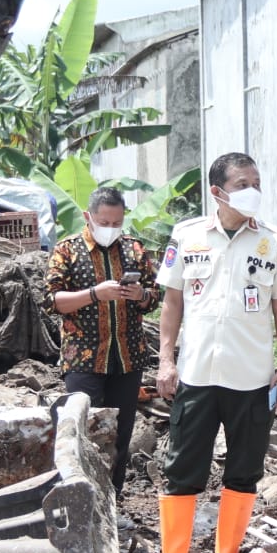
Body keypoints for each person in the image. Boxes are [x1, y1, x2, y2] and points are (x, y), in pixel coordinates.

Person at [142, 152, 277, 553]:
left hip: (251, 377)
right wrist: (166, 360)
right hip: (196, 372)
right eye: (243, 182)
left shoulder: (274, 242)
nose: (253, 189)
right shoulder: (188, 236)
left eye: (257, 180)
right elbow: (171, 303)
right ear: (217, 192)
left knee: (244, 469)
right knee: (182, 468)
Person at [44, 186, 159, 498]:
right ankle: (83, 497)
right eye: (104, 222)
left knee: (121, 436)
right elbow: (52, 301)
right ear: (88, 217)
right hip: (83, 358)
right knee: (87, 431)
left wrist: (141, 295)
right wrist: (94, 293)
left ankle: (114, 498)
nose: (111, 229)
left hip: (128, 358)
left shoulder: (135, 250)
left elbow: (154, 299)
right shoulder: (66, 250)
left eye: (116, 223)